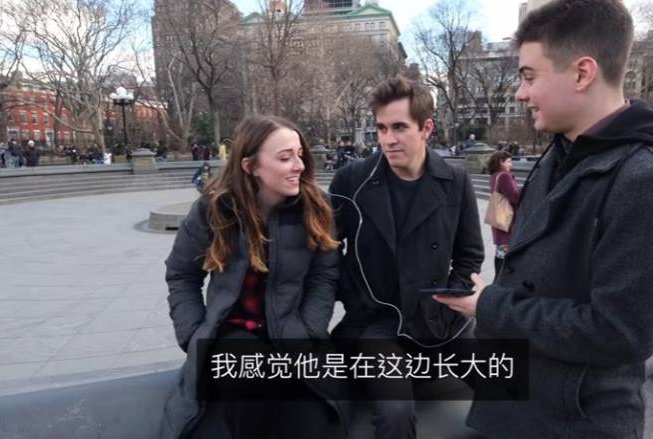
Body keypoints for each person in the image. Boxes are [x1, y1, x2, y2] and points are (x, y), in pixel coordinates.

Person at [433, 1, 653, 438]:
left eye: (529, 76)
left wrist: (490, 306)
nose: (520, 93)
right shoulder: (559, 155)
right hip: (515, 404)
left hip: (575, 423)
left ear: (583, 73)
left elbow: (622, 332)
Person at [161, 115, 347, 439]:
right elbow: (181, 275)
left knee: (317, 422)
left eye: (299, 154)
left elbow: (324, 276)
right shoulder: (214, 208)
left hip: (293, 332)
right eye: (285, 158)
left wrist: (309, 330)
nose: (299, 165)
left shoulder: (318, 208)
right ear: (250, 166)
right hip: (233, 335)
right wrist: (193, 336)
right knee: (252, 383)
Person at [329, 75, 484, 439]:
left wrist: (451, 299)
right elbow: (326, 253)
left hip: (439, 318)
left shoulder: (455, 180)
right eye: (381, 128)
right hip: (376, 324)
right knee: (396, 412)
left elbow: (470, 255)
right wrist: (356, 298)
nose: (388, 139)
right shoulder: (352, 180)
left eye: (399, 127)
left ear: (426, 128)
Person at [485, 150, 520, 277]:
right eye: (509, 162)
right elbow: (514, 196)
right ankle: (500, 278)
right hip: (507, 220)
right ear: (501, 162)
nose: (511, 164)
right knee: (505, 249)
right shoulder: (504, 176)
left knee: (501, 250)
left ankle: (498, 278)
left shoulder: (494, 176)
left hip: (499, 219)